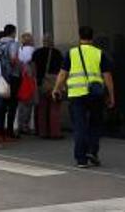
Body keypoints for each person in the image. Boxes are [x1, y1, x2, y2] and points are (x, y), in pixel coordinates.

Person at [53, 26, 115, 168]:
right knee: (95, 124)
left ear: (79, 36)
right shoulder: (100, 53)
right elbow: (107, 77)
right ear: (92, 37)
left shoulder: (71, 53)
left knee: (80, 126)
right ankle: (92, 152)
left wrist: (56, 89)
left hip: (76, 94)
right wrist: (111, 95)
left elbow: (63, 74)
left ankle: (81, 159)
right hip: (96, 94)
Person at [32, 34, 64, 139]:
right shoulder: (57, 53)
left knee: (42, 107)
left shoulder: (37, 53)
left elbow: (33, 68)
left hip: (42, 82)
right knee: (55, 107)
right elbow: (62, 69)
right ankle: (55, 132)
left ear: (43, 41)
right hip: (55, 82)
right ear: (52, 42)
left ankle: (43, 132)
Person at [0, 24, 22, 138]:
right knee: (12, 104)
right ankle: (10, 130)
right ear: (12, 32)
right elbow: (13, 59)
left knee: (2, 104)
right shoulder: (13, 44)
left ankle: (0, 129)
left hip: (1, 77)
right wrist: (19, 65)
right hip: (13, 76)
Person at [16, 32, 37, 136]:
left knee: (21, 104)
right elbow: (33, 65)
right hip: (29, 78)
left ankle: (20, 125)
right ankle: (25, 125)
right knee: (29, 103)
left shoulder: (19, 50)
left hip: (20, 77)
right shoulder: (33, 50)